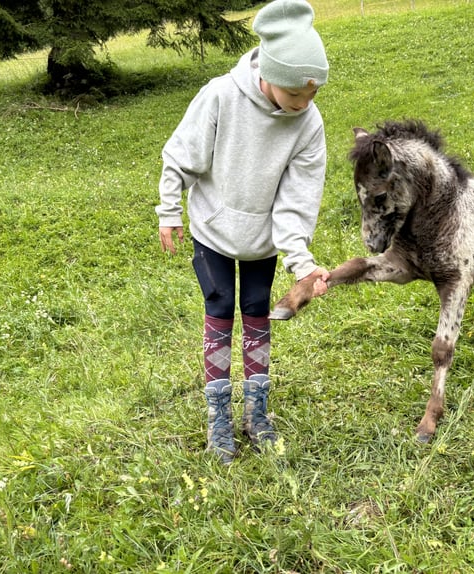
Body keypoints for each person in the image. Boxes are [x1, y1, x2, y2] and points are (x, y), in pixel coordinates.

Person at [156, 0, 330, 464]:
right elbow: (181, 154)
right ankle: (218, 420)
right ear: (270, 74)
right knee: (220, 308)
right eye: (296, 95)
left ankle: (256, 413)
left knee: (257, 311)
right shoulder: (220, 96)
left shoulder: (308, 124)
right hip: (213, 228)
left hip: (262, 239)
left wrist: (302, 262)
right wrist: (169, 210)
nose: (304, 104)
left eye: (312, 95)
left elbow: (295, 203)